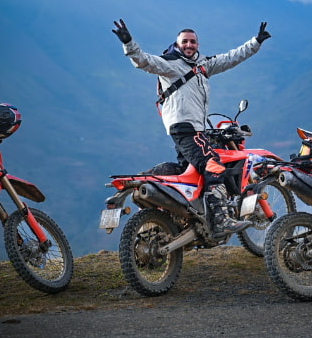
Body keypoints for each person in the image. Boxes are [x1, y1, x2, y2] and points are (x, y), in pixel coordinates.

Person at [112, 19, 271, 234]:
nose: (189, 45)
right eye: (185, 42)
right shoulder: (169, 64)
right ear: (177, 45)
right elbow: (143, 61)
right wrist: (128, 42)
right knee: (213, 165)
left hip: (193, 129)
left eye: (193, 42)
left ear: (197, 44)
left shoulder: (204, 65)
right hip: (185, 128)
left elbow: (231, 58)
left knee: (185, 169)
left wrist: (256, 42)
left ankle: (185, 215)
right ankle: (220, 220)